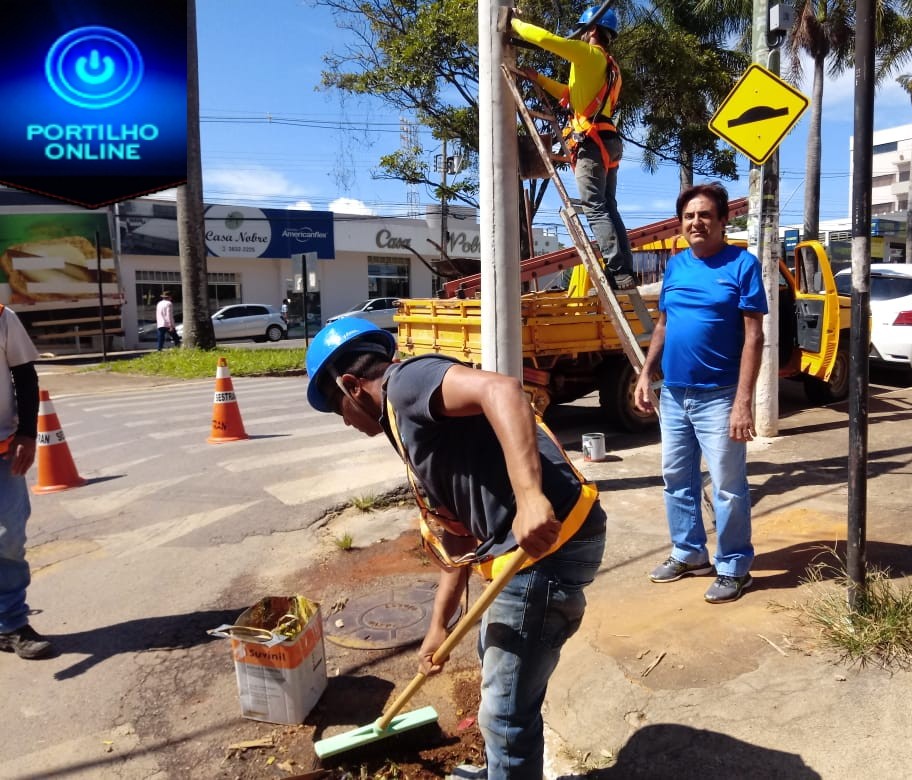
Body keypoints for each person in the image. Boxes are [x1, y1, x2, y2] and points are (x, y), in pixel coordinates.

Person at [305, 319, 606, 780]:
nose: (346, 423)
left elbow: (502, 390)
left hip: (545, 549)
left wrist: (528, 497)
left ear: (351, 386)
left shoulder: (406, 383)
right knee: (500, 665)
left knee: (504, 711)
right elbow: (459, 542)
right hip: (526, 552)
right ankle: (506, 769)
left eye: (338, 411)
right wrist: (436, 630)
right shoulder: (405, 426)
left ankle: (508, 767)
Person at [635, 183, 767, 604]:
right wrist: (645, 373)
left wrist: (743, 402)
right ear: (681, 224)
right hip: (674, 394)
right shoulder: (675, 266)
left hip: (721, 396)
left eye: (706, 215)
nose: (697, 222)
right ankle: (690, 553)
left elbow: (754, 337)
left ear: (723, 221)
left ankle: (733, 566)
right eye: (689, 216)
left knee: (728, 486)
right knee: (677, 480)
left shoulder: (742, 265)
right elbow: (664, 325)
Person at [511, 6, 636, 291]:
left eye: (582, 29)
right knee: (608, 206)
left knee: (595, 207)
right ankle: (625, 271)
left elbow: (545, 39)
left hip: (592, 144)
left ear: (592, 30)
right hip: (608, 140)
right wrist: (540, 79)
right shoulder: (609, 66)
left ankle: (617, 270)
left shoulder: (588, 54)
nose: (579, 35)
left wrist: (514, 24)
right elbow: (571, 96)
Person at [0, 303, 52, 659]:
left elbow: (24, 375)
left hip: (3, 448)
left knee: (9, 537)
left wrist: (28, 434)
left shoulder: (2, 316)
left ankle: (12, 623)